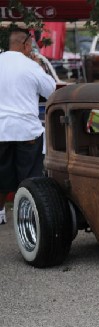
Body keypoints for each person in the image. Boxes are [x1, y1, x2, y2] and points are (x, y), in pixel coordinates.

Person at [0, 30, 56, 225]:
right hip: (26, 129)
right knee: (30, 178)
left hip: (1, 129)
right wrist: (40, 66)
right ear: (24, 44)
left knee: (1, 175)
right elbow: (51, 91)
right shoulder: (31, 66)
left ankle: (0, 213)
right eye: (31, 45)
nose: (31, 49)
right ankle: (27, 216)